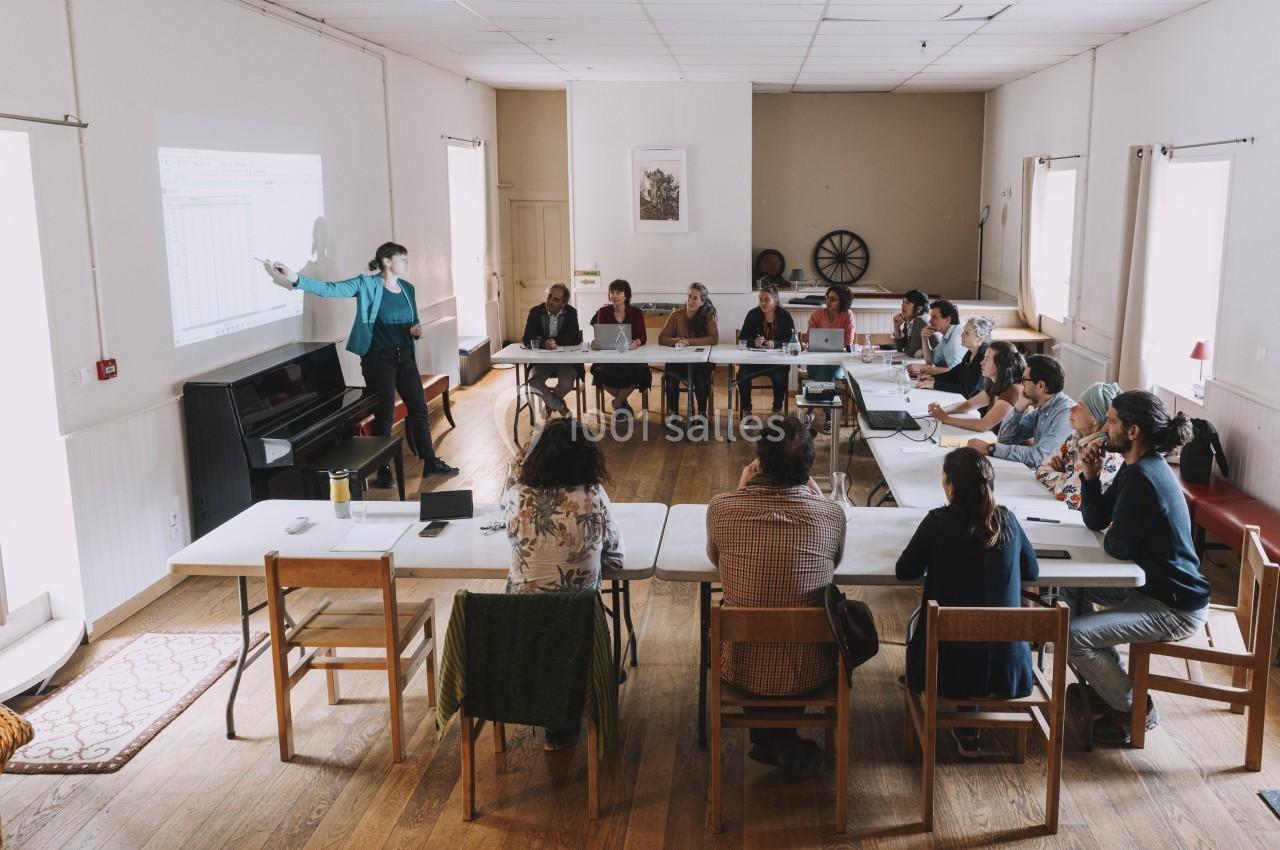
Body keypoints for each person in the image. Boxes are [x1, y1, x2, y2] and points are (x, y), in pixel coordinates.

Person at [1064, 391, 1210, 745]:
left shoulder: (1144, 478)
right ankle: (1107, 681)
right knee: (1068, 590)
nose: (1105, 428)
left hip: (1174, 606)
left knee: (1072, 635)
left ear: (1132, 431)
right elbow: (1098, 519)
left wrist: (1116, 530)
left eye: (1112, 421)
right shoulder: (1137, 468)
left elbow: (1117, 546)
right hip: (1149, 587)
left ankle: (1135, 709)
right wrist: (1090, 474)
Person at [707, 415, 845, 778]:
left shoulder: (722, 508)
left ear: (759, 462)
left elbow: (715, 559)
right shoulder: (832, 516)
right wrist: (815, 497)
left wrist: (740, 490)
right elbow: (836, 560)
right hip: (812, 666)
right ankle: (778, 739)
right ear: (810, 465)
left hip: (740, 665)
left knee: (753, 618)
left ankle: (771, 739)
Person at [264, 243, 457, 481]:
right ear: (387, 261)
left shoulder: (408, 288)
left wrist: (416, 330)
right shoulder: (366, 284)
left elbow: (414, 321)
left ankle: (430, 462)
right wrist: (294, 278)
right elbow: (329, 289)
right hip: (378, 360)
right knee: (385, 414)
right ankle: (384, 469)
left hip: (405, 358)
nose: (407, 263)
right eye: (402, 259)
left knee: (418, 410)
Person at [896, 447, 1039, 757]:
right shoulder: (1008, 521)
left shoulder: (938, 522)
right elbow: (1033, 571)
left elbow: (904, 571)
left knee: (930, 632)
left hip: (947, 674)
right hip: (1009, 672)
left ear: (951, 486)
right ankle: (969, 726)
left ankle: (965, 721)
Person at [502, 417, 625, 749]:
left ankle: (552, 714)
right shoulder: (593, 498)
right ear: (587, 456)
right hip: (579, 628)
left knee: (543, 618)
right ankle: (585, 689)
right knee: (571, 618)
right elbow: (616, 559)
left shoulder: (516, 498)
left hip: (521, 630)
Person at [974, 354, 1074, 468]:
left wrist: (990, 448)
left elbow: (1038, 457)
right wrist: (1019, 407)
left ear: (1040, 385)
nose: (1021, 384)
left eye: (1024, 379)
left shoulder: (1066, 413)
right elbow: (1005, 440)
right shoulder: (1043, 407)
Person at [1035, 382, 1123, 510]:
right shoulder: (1076, 437)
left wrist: (1061, 476)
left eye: (1079, 406)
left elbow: (1068, 497)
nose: (1071, 408)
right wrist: (1065, 479)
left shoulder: (1105, 453)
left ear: (1095, 417)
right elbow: (1040, 470)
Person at [927, 341, 1025, 434]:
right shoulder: (995, 384)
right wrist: (942, 410)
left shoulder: (1013, 391)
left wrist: (946, 419)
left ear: (1001, 365)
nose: (981, 363)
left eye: (987, 359)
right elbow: (967, 405)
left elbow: (982, 425)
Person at [589, 279, 650, 418]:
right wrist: (597, 342)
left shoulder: (636, 312)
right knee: (597, 371)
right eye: (612, 292)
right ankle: (622, 401)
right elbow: (602, 337)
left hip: (631, 357)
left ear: (626, 295)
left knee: (642, 371)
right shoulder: (603, 312)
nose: (614, 295)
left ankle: (617, 403)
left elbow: (643, 336)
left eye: (618, 292)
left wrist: (637, 342)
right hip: (610, 357)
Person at [659, 283, 719, 424]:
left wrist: (689, 342)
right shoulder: (676, 315)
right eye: (689, 297)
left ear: (702, 302)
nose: (690, 301)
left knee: (699, 379)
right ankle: (674, 412)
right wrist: (676, 341)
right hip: (679, 361)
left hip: (700, 362)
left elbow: (714, 339)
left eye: (695, 298)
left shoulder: (708, 316)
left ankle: (702, 412)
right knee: (671, 377)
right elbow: (662, 338)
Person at [522, 283, 582, 417]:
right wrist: (544, 343)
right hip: (541, 361)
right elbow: (527, 338)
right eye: (549, 296)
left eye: (556, 299)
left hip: (565, 361)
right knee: (533, 382)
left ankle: (549, 404)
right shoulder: (535, 312)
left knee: (567, 382)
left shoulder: (571, 312)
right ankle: (559, 406)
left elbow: (575, 338)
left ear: (564, 303)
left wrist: (556, 342)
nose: (550, 301)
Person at [735, 284, 795, 418]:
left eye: (766, 300)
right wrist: (753, 342)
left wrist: (776, 344)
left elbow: (791, 340)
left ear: (775, 301)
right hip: (754, 361)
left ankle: (776, 409)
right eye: (760, 299)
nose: (762, 303)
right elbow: (742, 339)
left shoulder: (785, 316)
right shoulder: (753, 314)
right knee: (742, 375)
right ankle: (746, 409)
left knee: (780, 378)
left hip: (776, 362)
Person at [802, 284, 855, 433]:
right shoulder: (817, 314)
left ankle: (813, 410)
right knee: (823, 373)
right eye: (827, 297)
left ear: (842, 301)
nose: (828, 301)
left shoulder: (847, 315)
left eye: (833, 299)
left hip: (838, 363)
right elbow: (808, 337)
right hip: (816, 360)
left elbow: (848, 340)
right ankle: (826, 416)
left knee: (826, 374)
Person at [917, 316, 993, 400]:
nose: (961, 335)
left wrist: (934, 384)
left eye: (966, 333)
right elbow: (955, 373)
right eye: (963, 331)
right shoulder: (971, 352)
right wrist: (933, 378)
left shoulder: (983, 357)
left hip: (976, 409)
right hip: (963, 399)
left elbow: (968, 389)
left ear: (980, 338)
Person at [914, 299, 966, 375]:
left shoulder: (957, 338)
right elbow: (930, 361)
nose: (930, 321)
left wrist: (927, 369)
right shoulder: (948, 334)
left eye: (934, 317)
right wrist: (924, 339)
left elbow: (956, 372)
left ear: (947, 319)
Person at [892, 289, 931, 357]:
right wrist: (896, 327)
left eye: (908, 303)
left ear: (919, 308)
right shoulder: (910, 320)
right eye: (903, 302)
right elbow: (899, 347)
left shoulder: (920, 320)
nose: (903, 305)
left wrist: (904, 349)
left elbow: (913, 353)